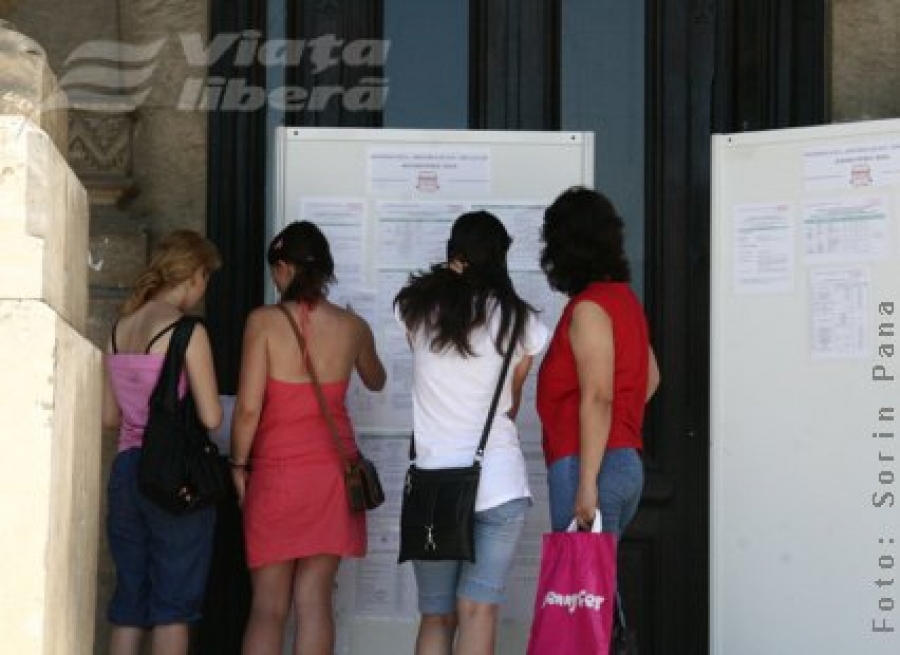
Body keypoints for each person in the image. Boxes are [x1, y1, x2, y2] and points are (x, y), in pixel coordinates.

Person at [394, 211, 549, 655]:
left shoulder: (417, 311)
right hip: (497, 484)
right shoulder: (522, 322)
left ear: (453, 255)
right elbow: (511, 404)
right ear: (501, 258)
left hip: (433, 486)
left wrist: (447, 274)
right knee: (478, 610)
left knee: (436, 615)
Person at [230, 221, 386, 655]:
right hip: (333, 478)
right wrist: (361, 333)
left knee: (268, 607)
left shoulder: (262, 322)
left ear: (282, 269)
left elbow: (247, 410)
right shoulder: (352, 326)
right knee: (315, 602)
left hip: (277, 476)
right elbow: (376, 380)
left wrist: (238, 466)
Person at [101, 229, 223, 655]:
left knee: (130, 603)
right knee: (173, 607)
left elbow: (109, 417)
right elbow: (210, 416)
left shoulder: (119, 329)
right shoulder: (187, 332)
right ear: (192, 274)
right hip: (172, 477)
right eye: (206, 278)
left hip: (126, 471)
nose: (204, 288)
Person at [536, 186, 660, 537]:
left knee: (584, 587)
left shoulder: (589, 309)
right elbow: (650, 378)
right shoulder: (624, 301)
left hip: (589, 463)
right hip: (620, 460)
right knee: (597, 584)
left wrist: (587, 482)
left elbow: (599, 394)